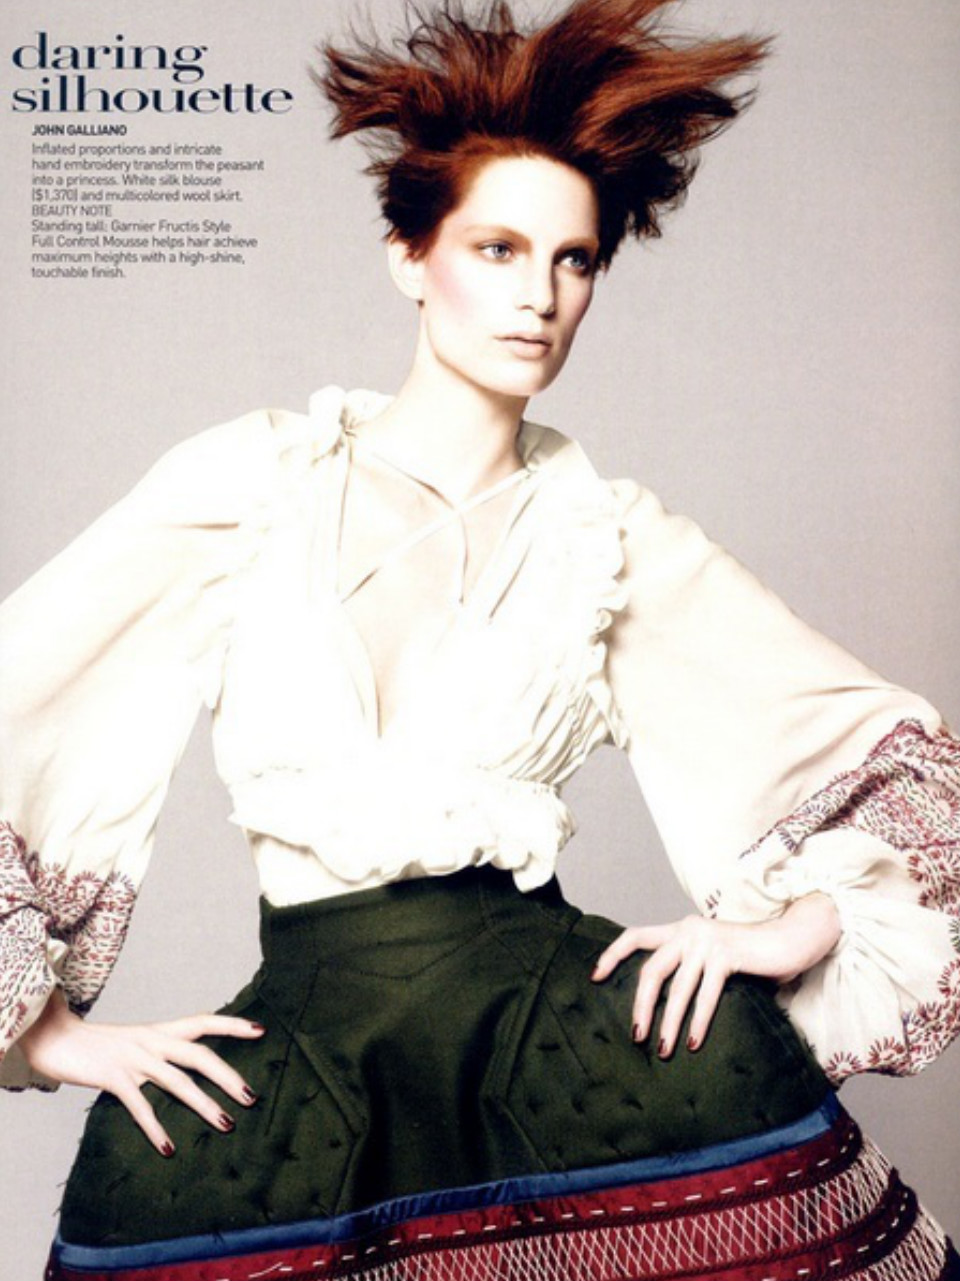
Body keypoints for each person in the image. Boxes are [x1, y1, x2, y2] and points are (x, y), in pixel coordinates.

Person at [2, 0, 958, 1276]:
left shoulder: (609, 539)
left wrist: (775, 933)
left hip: (581, 1059)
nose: (540, 297)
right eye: (498, 248)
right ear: (410, 256)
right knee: (150, 1187)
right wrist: (51, 1034)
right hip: (309, 1068)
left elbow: (893, 776)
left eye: (575, 261)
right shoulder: (251, 487)